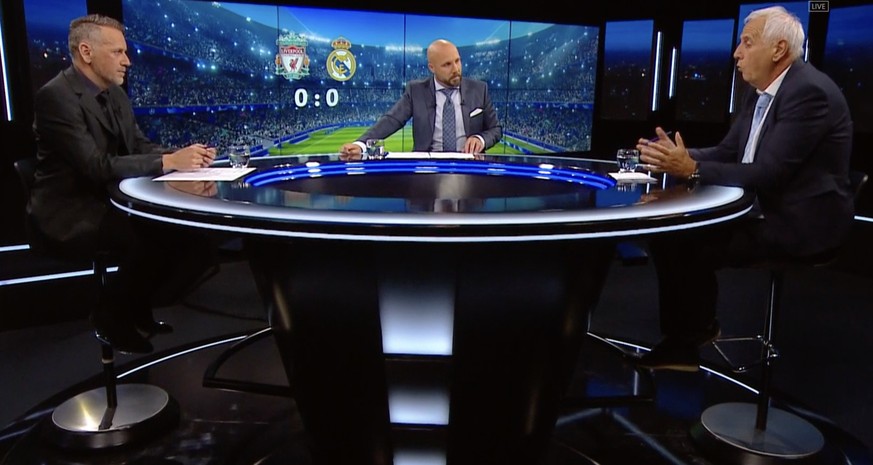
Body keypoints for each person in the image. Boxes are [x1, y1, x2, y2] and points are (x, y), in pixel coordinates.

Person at [632, 6, 853, 371]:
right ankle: (689, 335)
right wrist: (672, 156)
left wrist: (693, 168)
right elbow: (729, 152)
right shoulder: (762, 92)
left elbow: (769, 173)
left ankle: (690, 336)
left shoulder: (808, 92)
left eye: (747, 43)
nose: (737, 52)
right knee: (672, 233)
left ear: (778, 50)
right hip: (766, 207)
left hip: (799, 221)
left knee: (688, 241)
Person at [29, 14, 218, 353]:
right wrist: (167, 163)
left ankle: (136, 307)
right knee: (146, 239)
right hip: (69, 210)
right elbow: (95, 166)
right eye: (117, 52)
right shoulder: (56, 96)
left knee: (187, 235)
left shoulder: (114, 93)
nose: (127, 61)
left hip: (106, 199)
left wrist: (184, 155)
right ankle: (110, 315)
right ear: (86, 52)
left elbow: (138, 145)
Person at [340, 39, 502, 158]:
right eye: (447, 64)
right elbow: (392, 119)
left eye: (457, 61)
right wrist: (360, 144)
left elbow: (495, 129)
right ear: (432, 67)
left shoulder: (479, 89)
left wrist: (480, 139)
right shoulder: (416, 91)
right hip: (427, 166)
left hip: (469, 166)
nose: (456, 69)